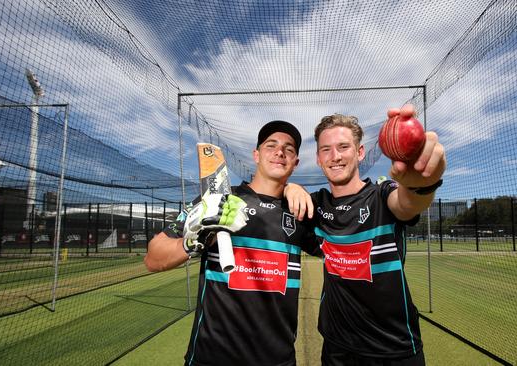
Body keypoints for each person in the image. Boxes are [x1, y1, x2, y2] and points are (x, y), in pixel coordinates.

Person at [144, 121, 321, 366]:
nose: (280, 152)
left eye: (289, 149)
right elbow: (153, 258)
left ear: (295, 162)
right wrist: (194, 241)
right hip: (211, 358)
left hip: (277, 360)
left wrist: (296, 188)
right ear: (256, 155)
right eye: (271, 145)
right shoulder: (216, 202)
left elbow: (344, 247)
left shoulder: (300, 211)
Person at [287, 105, 446, 365]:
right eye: (326, 149)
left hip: (395, 349)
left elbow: (406, 204)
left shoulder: (382, 195)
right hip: (337, 348)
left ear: (360, 152)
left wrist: (422, 183)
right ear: (318, 158)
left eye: (343, 147)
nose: (335, 156)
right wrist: (289, 188)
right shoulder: (315, 205)